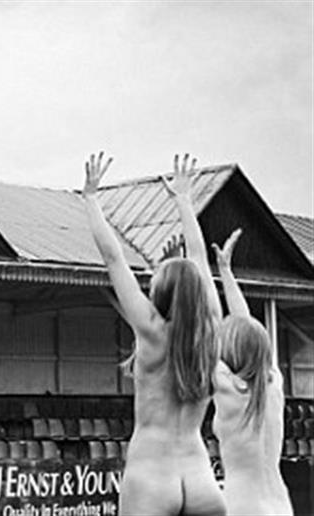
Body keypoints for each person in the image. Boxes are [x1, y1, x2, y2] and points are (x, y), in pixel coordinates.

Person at [83, 153, 225, 515]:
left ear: (161, 293)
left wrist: (92, 200)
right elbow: (199, 259)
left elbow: (114, 258)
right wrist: (184, 201)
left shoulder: (151, 331)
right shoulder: (212, 330)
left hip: (152, 476)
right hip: (200, 477)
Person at [209, 230, 293, 515]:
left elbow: (200, 332)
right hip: (281, 506)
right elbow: (248, 334)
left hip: (245, 507)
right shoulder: (273, 383)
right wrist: (225, 272)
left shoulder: (227, 387)